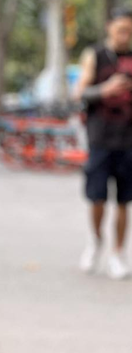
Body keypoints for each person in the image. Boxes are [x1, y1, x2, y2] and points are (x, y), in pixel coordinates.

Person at [76, 7, 132, 280]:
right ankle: (96, 240)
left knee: (123, 201)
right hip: (100, 138)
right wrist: (105, 89)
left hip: (128, 140)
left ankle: (117, 253)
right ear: (110, 27)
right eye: (121, 29)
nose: (125, 35)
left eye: (129, 31)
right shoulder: (95, 55)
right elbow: (79, 92)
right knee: (97, 198)